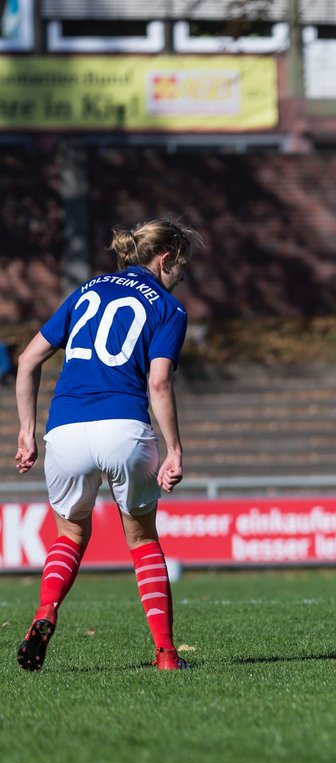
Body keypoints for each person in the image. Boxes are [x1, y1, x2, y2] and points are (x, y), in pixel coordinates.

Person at [13, 218, 202, 672]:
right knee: (141, 540)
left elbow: (27, 359)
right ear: (165, 260)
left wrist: (26, 430)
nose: (182, 277)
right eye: (182, 268)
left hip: (64, 430)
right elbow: (158, 383)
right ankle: (166, 654)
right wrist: (175, 450)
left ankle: (44, 613)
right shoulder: (170, 309)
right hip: (123, 428)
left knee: (71, 534)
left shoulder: (86, 291)